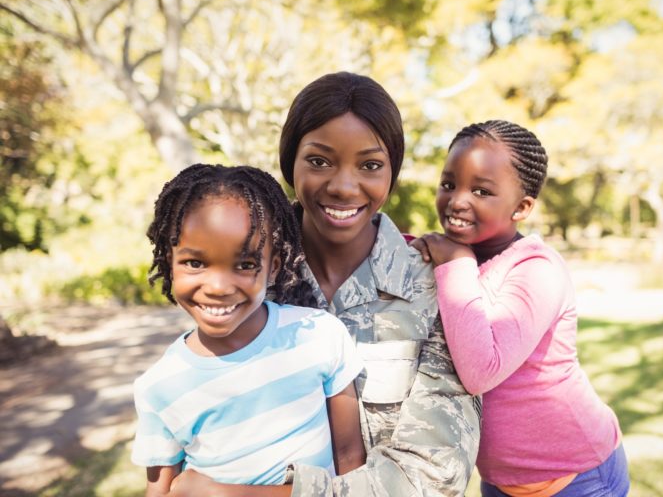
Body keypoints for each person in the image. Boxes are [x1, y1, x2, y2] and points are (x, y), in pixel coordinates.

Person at [169, 72, 481, 497]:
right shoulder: (246, 279)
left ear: (392, 173)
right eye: (319, 161)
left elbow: (433, 477)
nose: (343, 186)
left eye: (370, 165)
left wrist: (234, 495)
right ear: (290, 163)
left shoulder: (433, 288)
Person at [412, 119, 629, 497]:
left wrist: (456, 262)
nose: (458, 200)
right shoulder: (450, 257)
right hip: (499, 481)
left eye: (481, 191)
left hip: (577, 477)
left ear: (522, 207)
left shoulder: (536, 269)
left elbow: (481, 370)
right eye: (448, 184)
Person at [132, 164, 365, 496]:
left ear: (274, 268)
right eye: (195, 263)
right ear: (169, 262)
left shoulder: (320, 336)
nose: (218, 287)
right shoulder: (159, 387)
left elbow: (351, 463)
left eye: (245, 264)